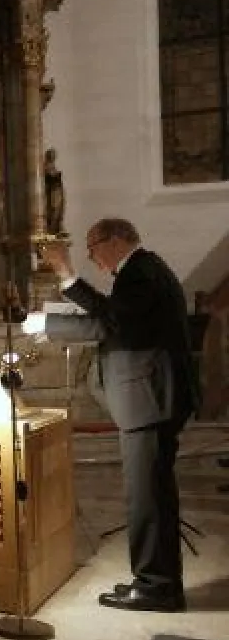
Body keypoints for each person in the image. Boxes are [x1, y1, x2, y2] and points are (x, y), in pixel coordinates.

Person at [36, 218, 198, 613]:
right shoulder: (145, 270)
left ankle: (157, 587)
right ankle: (155, 581)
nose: (93, 259)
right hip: (150, 399)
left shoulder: (140, 271)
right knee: (151, 496)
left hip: (150, 399)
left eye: (92, 250)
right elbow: (115, 319)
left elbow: (111, 322)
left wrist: (63, 285)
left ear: (115, 240)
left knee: (148, 499)